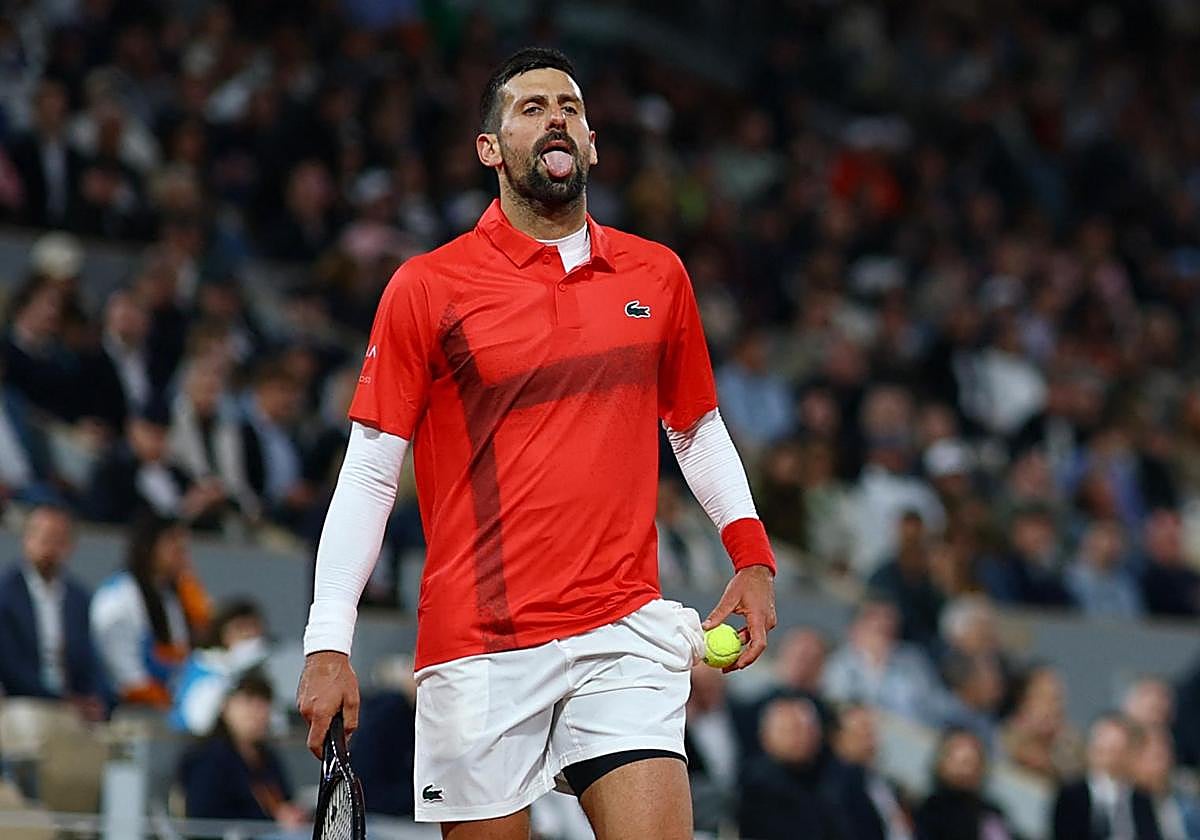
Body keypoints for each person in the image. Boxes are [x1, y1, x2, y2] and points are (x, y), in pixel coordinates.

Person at [297, 47, 777, 840]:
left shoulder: (658, 275)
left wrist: (753, 560)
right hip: (478, 647)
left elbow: (696, 429)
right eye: (530, 107)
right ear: (490, 149)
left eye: (571, 106)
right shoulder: (428, 287)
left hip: (623, 631)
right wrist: (327, 643)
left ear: (590, 143)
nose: (556, 116)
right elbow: (371, 475)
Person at [90, 514, 211, 707]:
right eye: (175, 547)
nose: (183, 557)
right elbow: (127, 680)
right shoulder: (119, 598)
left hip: (166, 706)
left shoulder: (172, 596)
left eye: (184, 549)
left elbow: (182, 660)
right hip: (128, 711)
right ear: (149, 546)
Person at [0, 504, 106, 719]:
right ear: (27, 539)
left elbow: (88, 661)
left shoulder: (78, 598)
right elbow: (11, 666)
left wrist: (96, 698)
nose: (51, 548)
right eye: (45, 538)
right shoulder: (5, 594)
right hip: (24, 704)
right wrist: (59, 701)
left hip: (71, 707)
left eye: (60, 540)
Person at [180, 671, 307, 829]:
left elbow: (285, 801)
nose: (256, 712)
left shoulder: (268, 758)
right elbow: (204, 818)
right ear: (225, 706)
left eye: (263, 703)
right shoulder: (208, 758)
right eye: (248, 701)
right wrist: (272, 822)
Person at [1053, 714, 1163, 840]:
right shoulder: (1072, 795)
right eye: (1104, 748)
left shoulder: (1141, 798)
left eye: (1116, 748)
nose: (1111, 754)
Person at [822, 704, 913, 840]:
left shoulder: (884, 783)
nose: (871, 740)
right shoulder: (834, 787)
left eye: (873, 730)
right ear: (838, 739)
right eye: (862, 731)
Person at [914, 728, 1014, 840]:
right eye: (958, 759)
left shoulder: (990, 814)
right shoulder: (929, 810)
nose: (964, 769)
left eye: (971, 761)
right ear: (940, 763)